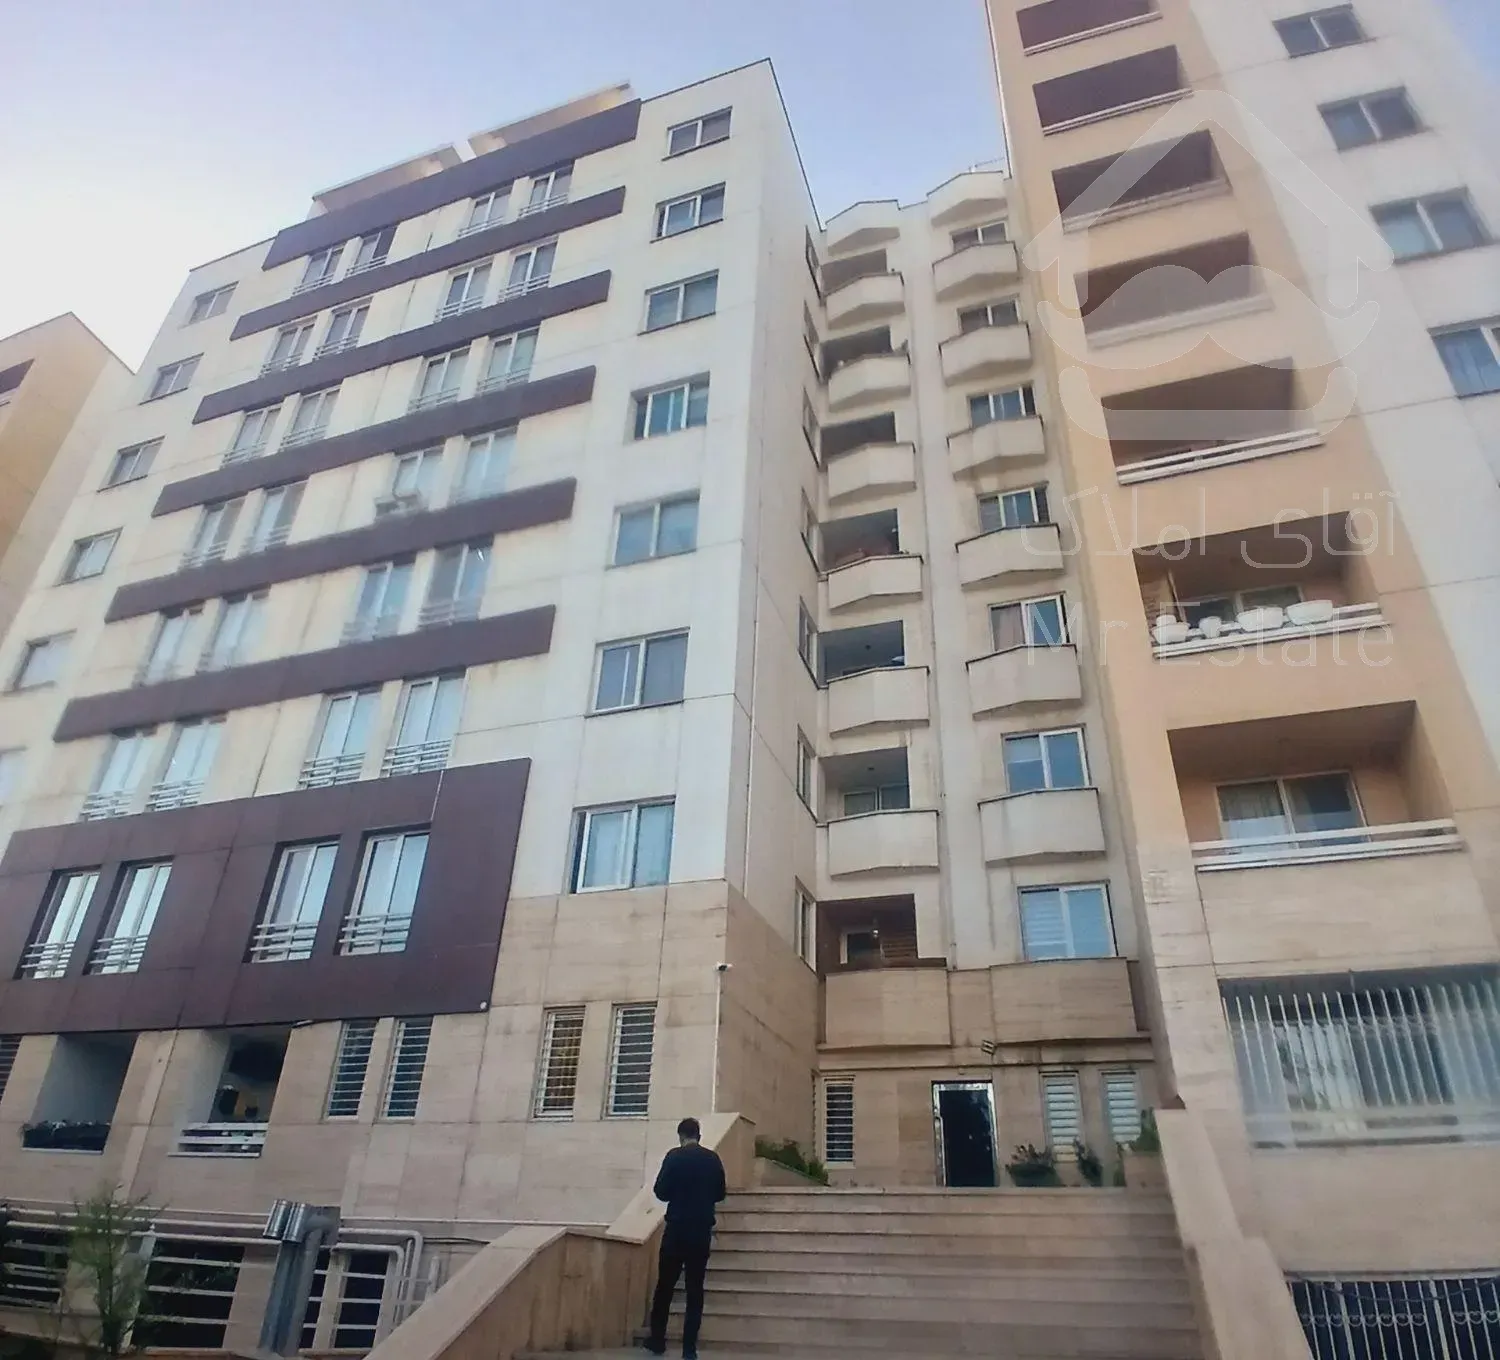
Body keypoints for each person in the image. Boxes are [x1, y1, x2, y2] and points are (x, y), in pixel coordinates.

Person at [645, 1117, 726, 1359]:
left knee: (665, 1286)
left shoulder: (674, 1157)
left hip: (676, 1229)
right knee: (695, 1289)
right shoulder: (712, 1159)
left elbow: (660, 1191)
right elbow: (720, 1193)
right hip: (700, 1231)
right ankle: (689, 1348)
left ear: (681, 1136)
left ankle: (657, 1340)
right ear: (698, 1135)